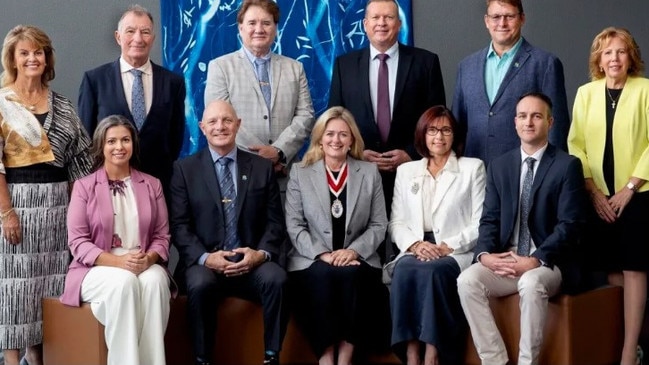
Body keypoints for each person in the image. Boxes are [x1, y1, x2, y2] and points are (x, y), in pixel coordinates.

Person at [457, 92, 586, 365]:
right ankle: (495, 360)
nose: (529, 122)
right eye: (523, 116)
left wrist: (535, 260)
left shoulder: (567, 166)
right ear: (515, 122)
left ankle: (528, 362)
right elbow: (489, 219)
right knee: (467, 281)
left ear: (550, 123)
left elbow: (569, 226)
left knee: (530, 282)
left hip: (548, 262)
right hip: (508, 256)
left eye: (537, 116)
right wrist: (484, 255)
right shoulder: (499, 166)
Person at [0, 25, 93, 365]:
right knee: (15, 288)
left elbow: (82, 161)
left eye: (38, 52)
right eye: (24, 52)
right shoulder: (1, 102)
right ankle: (12, 360)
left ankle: (38, 358)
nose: (32, 58)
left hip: (57, 209)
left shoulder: (63, 105)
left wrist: (80, 211)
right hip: (17, 205)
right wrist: (6, 212)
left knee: (50, 285)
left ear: (47, 57)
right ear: (12, 58)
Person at [170, 100, 287, 365]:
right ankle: (202, 358)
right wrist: (205, 258)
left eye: (226, 120)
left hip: (251, 261)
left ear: (238, 124)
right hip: (207, 263)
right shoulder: (184, 170)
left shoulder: (261, 167)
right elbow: (179, 226)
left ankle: (271, 355)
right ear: (202, 127)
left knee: (277, 278)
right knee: (199, 284)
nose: (220, 127)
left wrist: (259, 254)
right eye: (212, 122)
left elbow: (274, 222)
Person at [60, 115, 172, 365]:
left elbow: (162, 236)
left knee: (155, 281)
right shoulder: (84, 186)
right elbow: (78, 242)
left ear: (133, 144)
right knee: (124, 283)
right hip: (96, 268)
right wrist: (119, 263)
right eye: (111, 141)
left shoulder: (152, 184)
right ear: (101, 146)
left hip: (141, 261)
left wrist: (149, 259)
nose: (119, 147)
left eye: (125, 140)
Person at [568, 27, 649, 365]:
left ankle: (630, 351)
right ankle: (619, 343)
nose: (614, 58)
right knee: (612, 269)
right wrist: (595, 191)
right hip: (598, 196)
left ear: (631, 57)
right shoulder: (586, 94)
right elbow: (576, 145)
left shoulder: (646, 90)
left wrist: (629, 187)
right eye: (607, 52)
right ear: (598, 60)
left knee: (634, 268)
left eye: (620, 51)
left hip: (640, 194)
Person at [285, 106, 388, 365]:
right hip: (313, 259)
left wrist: (353, 252)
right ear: (320, 138)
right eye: (330, 134)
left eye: (344, 134)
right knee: (323, 275)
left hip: (358, 259)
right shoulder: (300, 172)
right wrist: (323, 254)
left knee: (353, 275)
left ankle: (345, 356)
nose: (336, 140)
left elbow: (378, 224)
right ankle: (326, 355)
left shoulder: (369, 172)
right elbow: (295, 225)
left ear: (352, 139)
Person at [386, 106, 486, 365]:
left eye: (445, 130)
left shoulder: (472, 168)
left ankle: (432, 353)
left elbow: (480, 223)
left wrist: (445, 247)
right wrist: (416, 245)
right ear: (422, 134)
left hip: (454, 250)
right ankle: (411, 353)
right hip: (415, 248)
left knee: (433, 272)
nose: (438, 137)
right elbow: (396, 221)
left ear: (454, 135)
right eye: (432, 130)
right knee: (405, 270)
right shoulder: (407, 171)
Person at [328, 0, 446, 218]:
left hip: (413, 171)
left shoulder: (425, 62)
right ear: (365, 24)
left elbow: (436, 121)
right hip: (359, 172)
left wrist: (411, 154)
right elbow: (334, 120)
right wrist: (356, 153)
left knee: (412, 244)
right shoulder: (344, 65)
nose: (381, 23)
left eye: (389, 17)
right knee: (366, 246)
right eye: (375, 18)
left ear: (399, 24)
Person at [204, 0, 315, 194]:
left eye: (266, 23)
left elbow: (305, 116)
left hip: (285, 176)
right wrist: (260, 159)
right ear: (240, 28)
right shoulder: (220, 67)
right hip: (238, 175)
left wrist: (279, 152)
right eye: (252, 23)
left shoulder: (295, 68)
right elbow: (220, 122)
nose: (259, 29)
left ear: (275, 28)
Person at [78, 4, 186, 197]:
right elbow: (86, 140)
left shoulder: (173, 83)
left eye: (145, 32)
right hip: (108, 188)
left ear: (153, 39)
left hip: (159, 187)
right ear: (118, 37)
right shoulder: (95, 80)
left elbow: (175, 139)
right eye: (130, 31)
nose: (138, 39)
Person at [452, 0, 570, 165]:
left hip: (524, 172)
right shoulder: (467, 66)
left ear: (522, 19)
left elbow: (557, 127)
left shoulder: (545, 64)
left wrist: (553, 174)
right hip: (474, 173)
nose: (502, 23)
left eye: (509, 16)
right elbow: (457, 127)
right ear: (486, 21)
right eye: (496, 17)